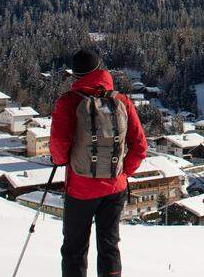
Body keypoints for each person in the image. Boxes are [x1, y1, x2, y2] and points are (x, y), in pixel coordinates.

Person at [50, 50, 147, 277]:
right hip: (115, 187)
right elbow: (140, 146)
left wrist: (64, 160)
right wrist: (124, 172)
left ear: (75, 75)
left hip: (81, 188)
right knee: (109, 246)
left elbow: (58, 146)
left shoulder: (68, 102)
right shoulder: (121, 101)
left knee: (74, 249)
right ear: (100, 70)